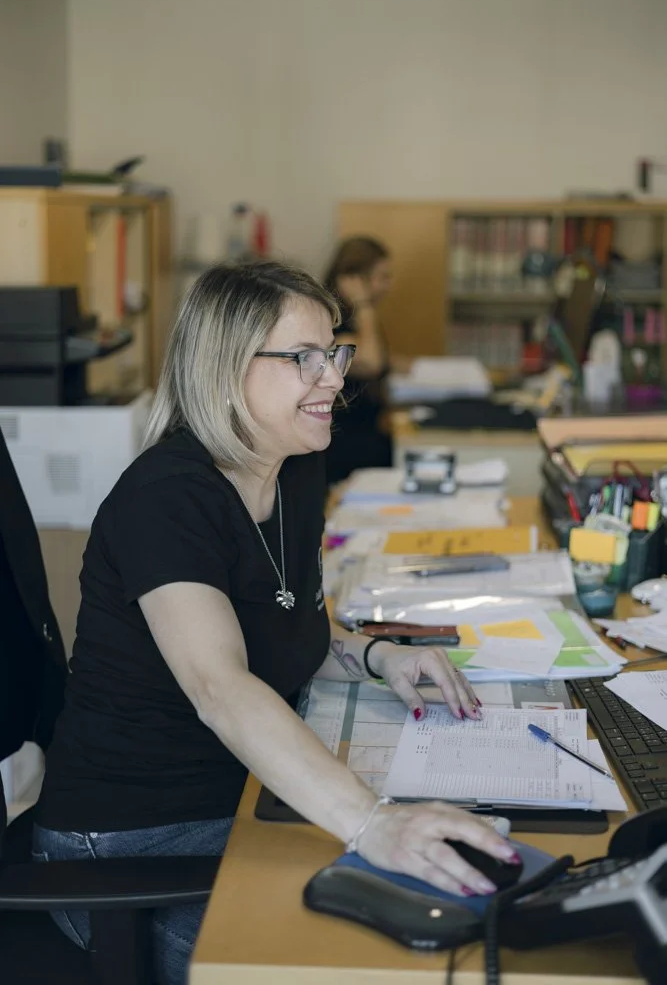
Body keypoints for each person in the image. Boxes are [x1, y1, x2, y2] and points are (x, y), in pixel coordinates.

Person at [33, 261, 518, 985]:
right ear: (226, 368)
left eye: (334, 352)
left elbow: (285, 626)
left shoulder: (292, 470)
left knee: (456, 925)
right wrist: (371, 822)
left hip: (247, 801)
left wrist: (379, 655)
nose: (332, 378)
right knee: (357, 964)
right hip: (131, 842)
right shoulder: (166, 500)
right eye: (304, 359)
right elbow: (220, 685)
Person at [323, 236, 396, 483]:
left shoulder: (355, 320)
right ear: (355, 279)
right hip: (347, 448)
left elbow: (384, 359)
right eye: (383, 276)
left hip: (366, 435)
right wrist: (364, 304)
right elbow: (371, 362)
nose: (388, 285)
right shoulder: (332, 322)